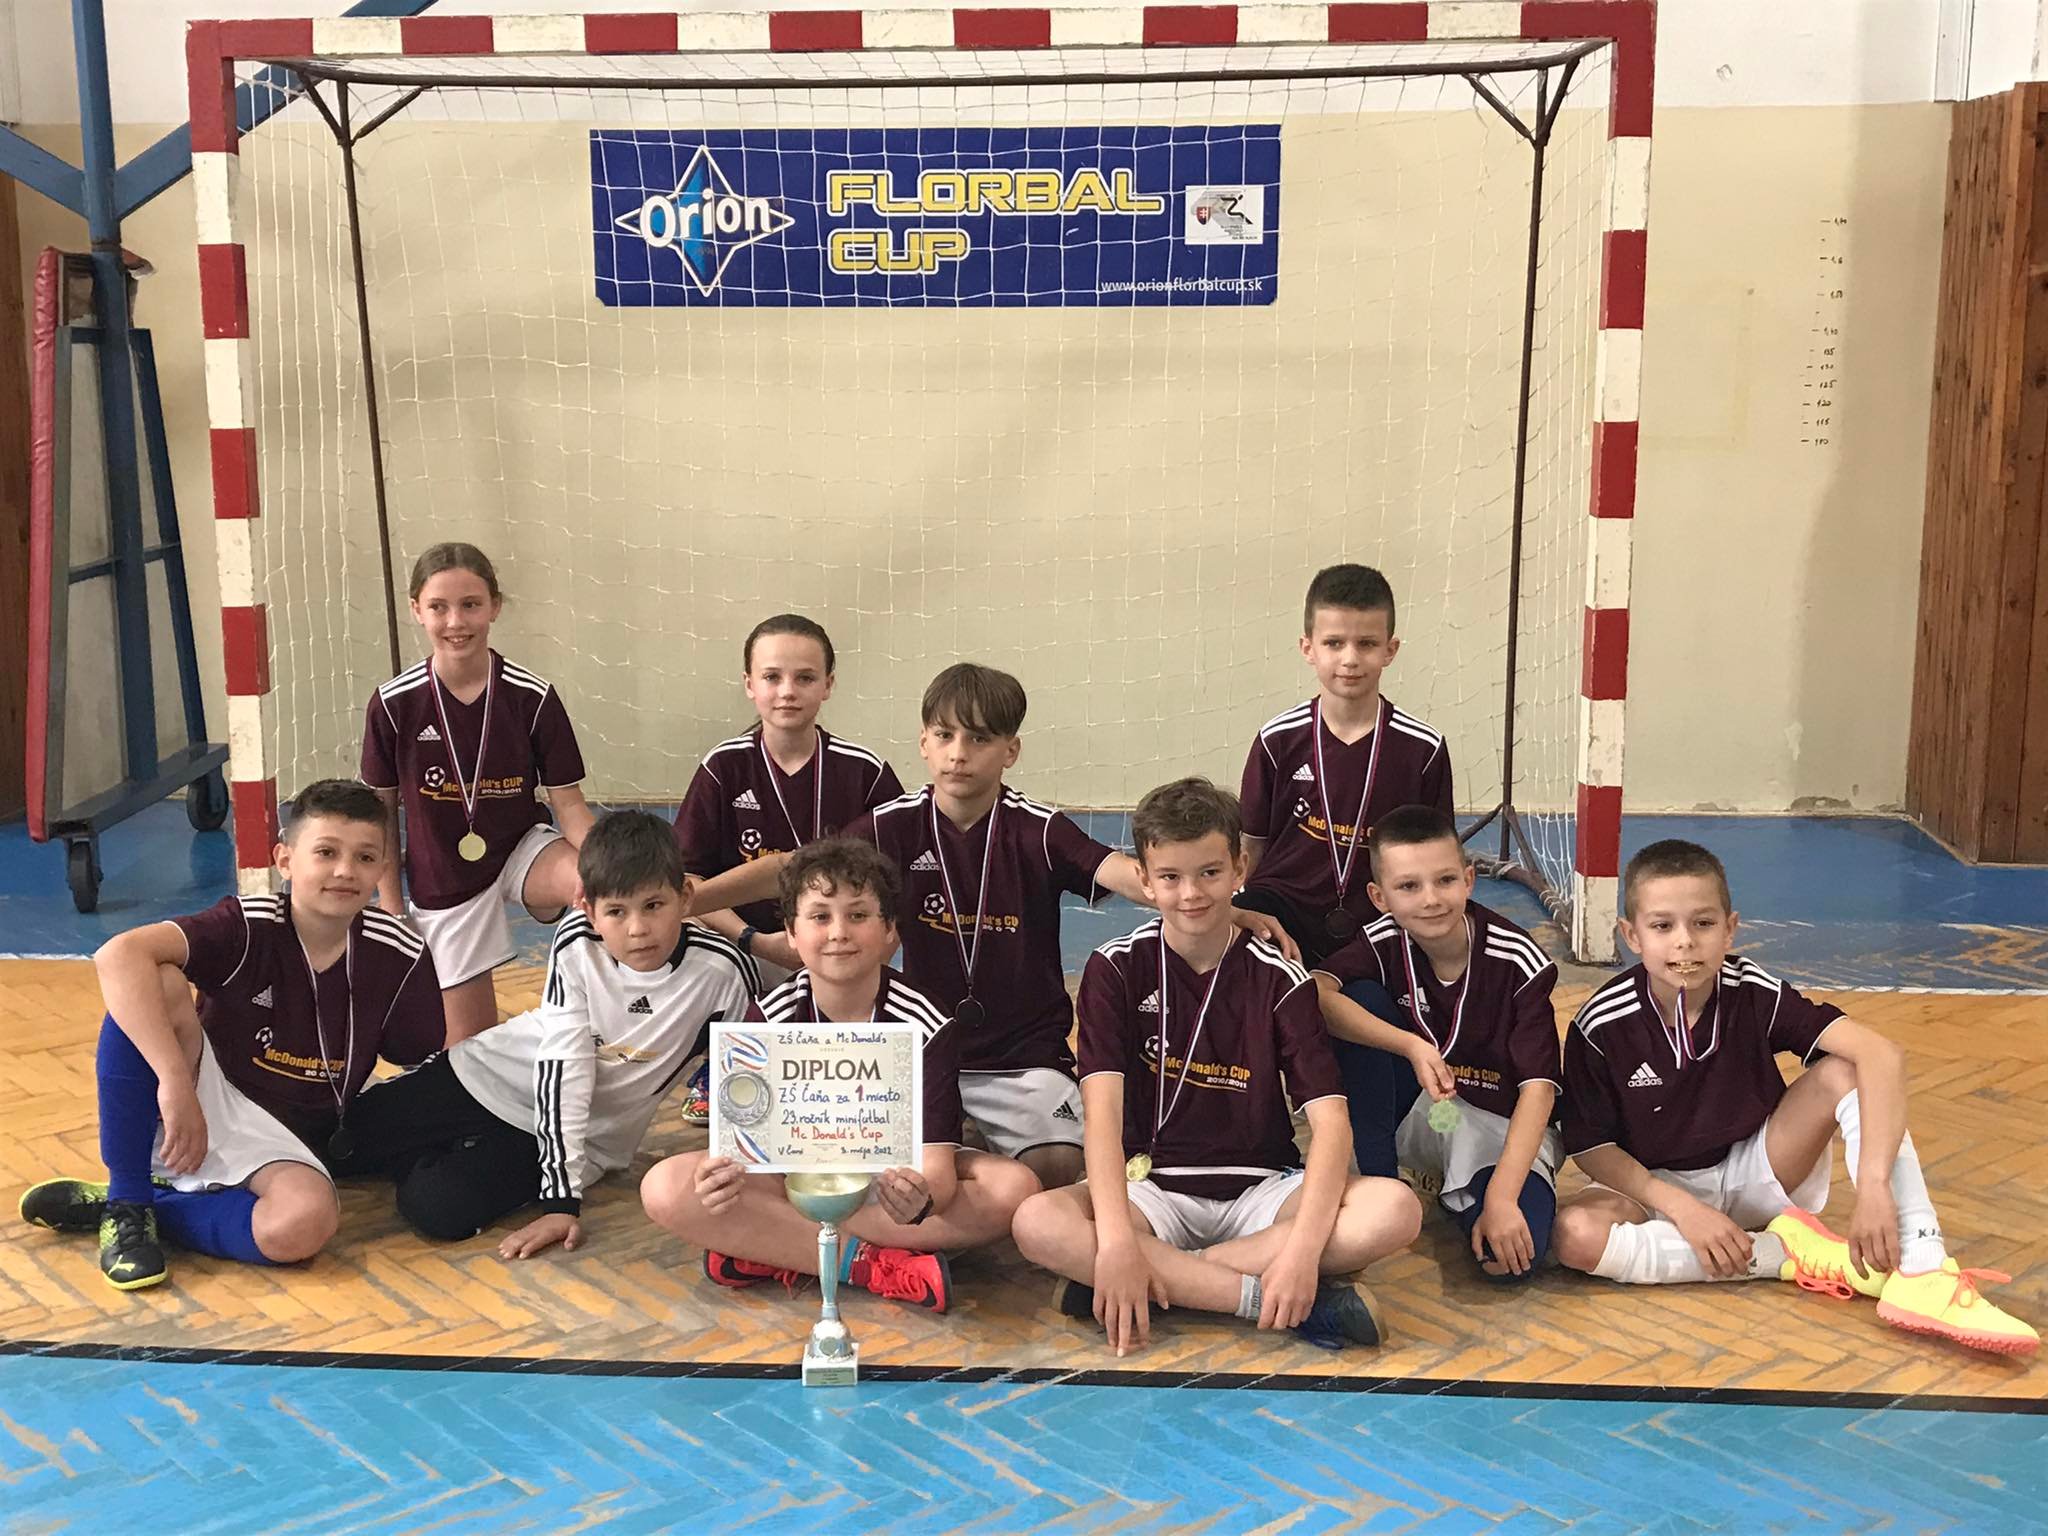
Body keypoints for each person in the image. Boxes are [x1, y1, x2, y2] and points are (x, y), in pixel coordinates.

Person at [689, 664, 1295, 1189]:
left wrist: (1217, 905)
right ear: (923, 743)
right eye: (945, 735)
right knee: (848, 1163)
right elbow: (794, 869)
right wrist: (689, 900)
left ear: (1010, 751)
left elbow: (1129, 874)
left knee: (1060, 1165)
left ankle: (967, 1157)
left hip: (1019, 1057)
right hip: (914, 1047)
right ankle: (954, 1157)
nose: (959, 753)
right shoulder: (891, 824)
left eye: (979, 738)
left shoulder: (1038, 828)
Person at [1554, 839, 2037, 1355]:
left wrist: (1874, 1186)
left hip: (1756, 1169)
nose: (1685, 943)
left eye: (1703, 923)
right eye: (1662, 926)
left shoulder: (1751, 990)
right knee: (1574, 1235)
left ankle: (1923, 1264)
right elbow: (1591, 1148)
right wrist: (1683, 1209)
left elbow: (1883, 1055)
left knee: (1845, 1072)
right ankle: (1783, 1255)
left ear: (1730, 928)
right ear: (1631, 935)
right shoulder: (1601, 1024)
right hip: (1654, 1187)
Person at [1012, 778, 1421, 1354]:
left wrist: (1302, 1252)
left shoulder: (1281, 977)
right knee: (1035, 1220)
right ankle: (1261, 1299)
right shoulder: (1115, 968)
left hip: (1262, 1191)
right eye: (1170, 877)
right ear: (1145, 880)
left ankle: (1158, 1282)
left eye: (1209, 872)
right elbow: (1101, 1119)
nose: (1191, 893)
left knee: (1395, 1209)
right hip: (1150, 1188)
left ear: (1239, 869)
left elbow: (1331, 1126)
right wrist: (1121, 1243)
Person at [18, 779, 443, 1289]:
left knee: (305, 1223)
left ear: (383, 869)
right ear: (285, 860)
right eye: (326, 852)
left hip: (288, 1135)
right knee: (156, 981)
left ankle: (153, 1207)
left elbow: (419, 1054)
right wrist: (175, 1084)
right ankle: (128, 1204)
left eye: (365, 857)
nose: (345, 871)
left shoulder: (399, 953)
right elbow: (117, 955)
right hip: (207, 1094)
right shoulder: (250, 924)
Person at [640, 838, 1041, 1313]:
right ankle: (870, 1264)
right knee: (665, 1187)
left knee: (1015, 1189)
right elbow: (741, 1153)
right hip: (796, 1181)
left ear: (889, 930)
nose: (838, 933)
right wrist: (718, 1178)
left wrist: (921, 1199)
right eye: (819, 916)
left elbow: (935, 1168)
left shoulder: (926, 1023)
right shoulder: (766, 1019)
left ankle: (773, 1244)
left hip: (886, 1187)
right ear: (791, 932)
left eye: (858, 915)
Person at [334, 811, 758, 1252]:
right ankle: (446, 1142)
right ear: (589, 910)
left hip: (579, 1137)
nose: (637, 929)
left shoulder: (723, 974)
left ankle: (451, 1148)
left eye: (653, 906)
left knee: (436, 1207)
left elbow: (741, 1086)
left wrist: (561, 1201)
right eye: (616, 911)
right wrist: (561, 1200)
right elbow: (565, 1066)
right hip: (487, 1077)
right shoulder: (578, 942)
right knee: (340, 1142)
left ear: (684, 898)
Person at [1312, 805, 1562, 1280]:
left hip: (1497, 1123)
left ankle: (1464, 1188)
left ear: (1469, 880)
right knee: (1357, 999)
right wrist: (1410, 1045)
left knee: (1509, 1262)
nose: (1430, 899)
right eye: (1408, 886)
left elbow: (1539, 1090)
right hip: (1419, 1109)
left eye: (1445, 880)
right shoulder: (1385, 938)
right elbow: (1317, 992)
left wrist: (1502, 1198)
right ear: (1380, 897)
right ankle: (1384, 1181)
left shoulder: (1518, 960)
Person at [672, 613, 901, 1122]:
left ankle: (848, 1070)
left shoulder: (865, 772)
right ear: (749, 684)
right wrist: (754, 939)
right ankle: (723, 1067)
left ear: (828, 685)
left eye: (805, 677)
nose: (787, 691)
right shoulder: (723, 768)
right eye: (772, 677)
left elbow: (896, 879)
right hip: (751, 944)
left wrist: (871, 945)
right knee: (710, 966)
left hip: (840, 938)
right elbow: (688, 884)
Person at [361, 542, 592, 1044]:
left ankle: (597, 1024)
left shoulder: (531, 696)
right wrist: (392, 907)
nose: (455, 621)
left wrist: (610, 870)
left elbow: (569, 803)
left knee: (600, 891)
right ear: (416, 610)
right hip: (443, 871)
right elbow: (379, 817)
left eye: (470, 604)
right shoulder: (393, 704)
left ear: (494, 606)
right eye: (438, 607)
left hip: (521, 849)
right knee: (468, 1046)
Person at [1237, 564, 1452, 969]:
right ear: (1308, 648)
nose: (1350, 659)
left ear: (1390, 650)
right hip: (1284, 909)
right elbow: (1253, 847)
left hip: (1378, 918)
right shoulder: (1277, 740)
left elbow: (1434, 854)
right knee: (1235, 961)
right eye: (1334, 643)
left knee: (1370, 1002)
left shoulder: (1423, 749)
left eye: (1366, 643)